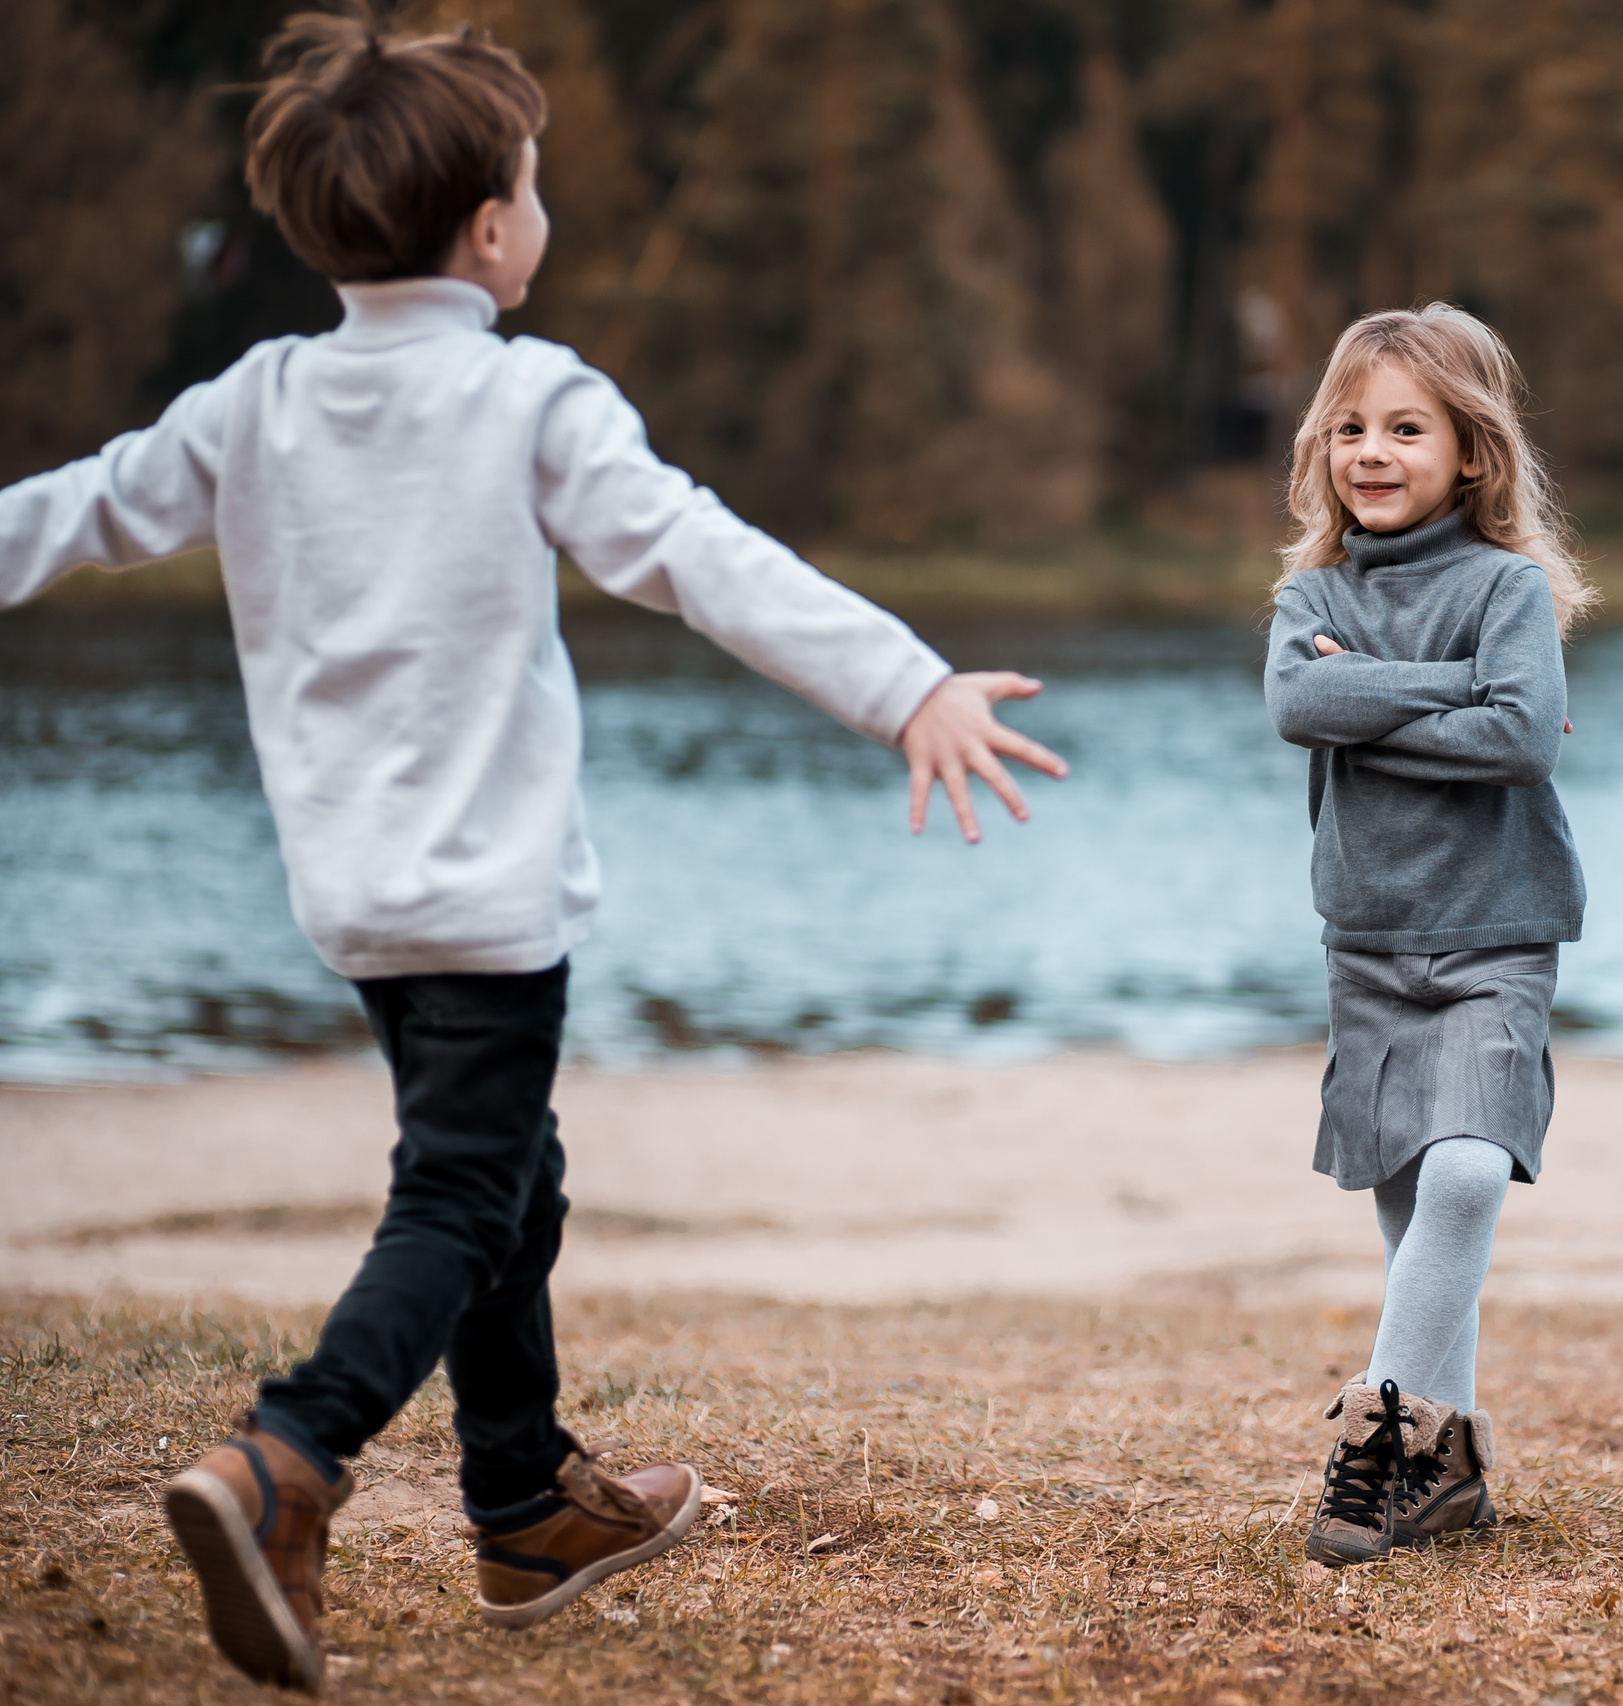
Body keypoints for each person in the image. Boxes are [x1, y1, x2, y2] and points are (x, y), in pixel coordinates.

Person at [0, 14, 1065, 1689]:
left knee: (512, 1175)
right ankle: (290, 1454)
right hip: (489, 906)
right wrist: (905, 683)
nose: (540, 211)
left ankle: (523, 1502)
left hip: (351, 894)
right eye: (537, 186)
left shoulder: (255, 401)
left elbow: (70, 510)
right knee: (460, 1194)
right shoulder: (526, 398)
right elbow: (704, 558)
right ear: (494, 229)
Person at [1262, 304, 1592, 1566]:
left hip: (1496, 934)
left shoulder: (1508, 587)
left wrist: (1371, 696)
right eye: (1350, 427)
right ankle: (1446, 1483)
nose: (1373, 451)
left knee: (1464, 1178)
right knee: (1412, 1217)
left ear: (1470, 452)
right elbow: (1298, 701)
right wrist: (1457, 684)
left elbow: (1521, 737)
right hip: (1367, 941)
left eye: (1407, 428)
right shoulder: (1312, 595)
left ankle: (1374, 1440)